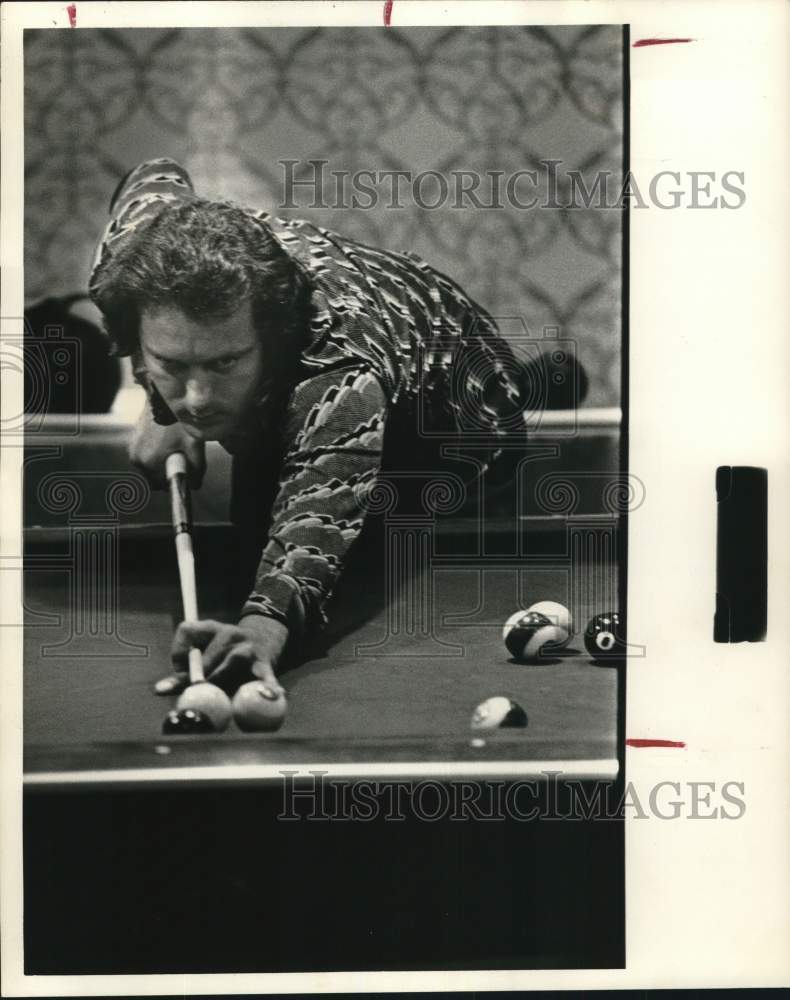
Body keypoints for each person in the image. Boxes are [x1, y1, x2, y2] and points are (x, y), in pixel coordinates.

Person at [89, 158, 534, 699]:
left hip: (460, 414)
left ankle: (545, 381)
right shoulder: (137, 241)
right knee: (250, 534)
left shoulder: (335, 366)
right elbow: (156, 172)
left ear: (269, 341)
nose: (199, 399)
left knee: (365, 550)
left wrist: (263, 628)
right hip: (350, 363)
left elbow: (317, 516)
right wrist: (158, 402)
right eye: (176, 363)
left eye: (225, 363)